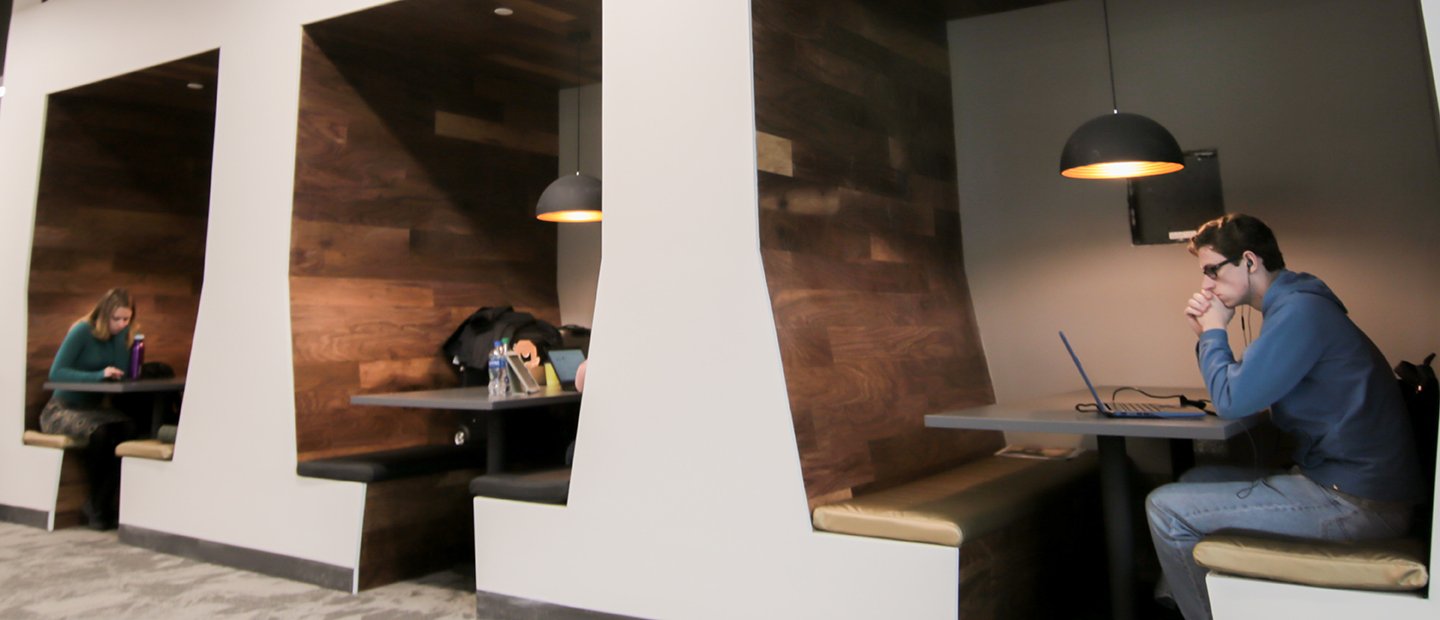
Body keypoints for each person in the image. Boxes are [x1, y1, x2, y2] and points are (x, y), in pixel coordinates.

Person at [1146, 214, 1422, 620]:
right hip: (1344, 484)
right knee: (1195, 479)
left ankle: (1195, 611)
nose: (1205, 284)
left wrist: (1212, 334)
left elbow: (1231, 399)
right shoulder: (1296, 305)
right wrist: (1211, 339)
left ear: (1250, 261)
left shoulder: (1300, 312)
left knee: (1164, 508)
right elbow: (1247, 388)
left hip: (1359, 503)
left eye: (1212, 270)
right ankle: (1185, 603)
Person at [42, 288, 140, 530]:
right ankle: (97, 506)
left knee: (128, 428)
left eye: (126, 319)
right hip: (62, 409)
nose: (121, 324)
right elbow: (57, 373)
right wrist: (99, 375)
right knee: (102, 434)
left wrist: (121, 338)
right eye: (116, 319)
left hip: (93, 411)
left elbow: (122, 370)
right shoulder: (82, 331)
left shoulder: (123, 336)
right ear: (104, 315)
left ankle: (99, 503)